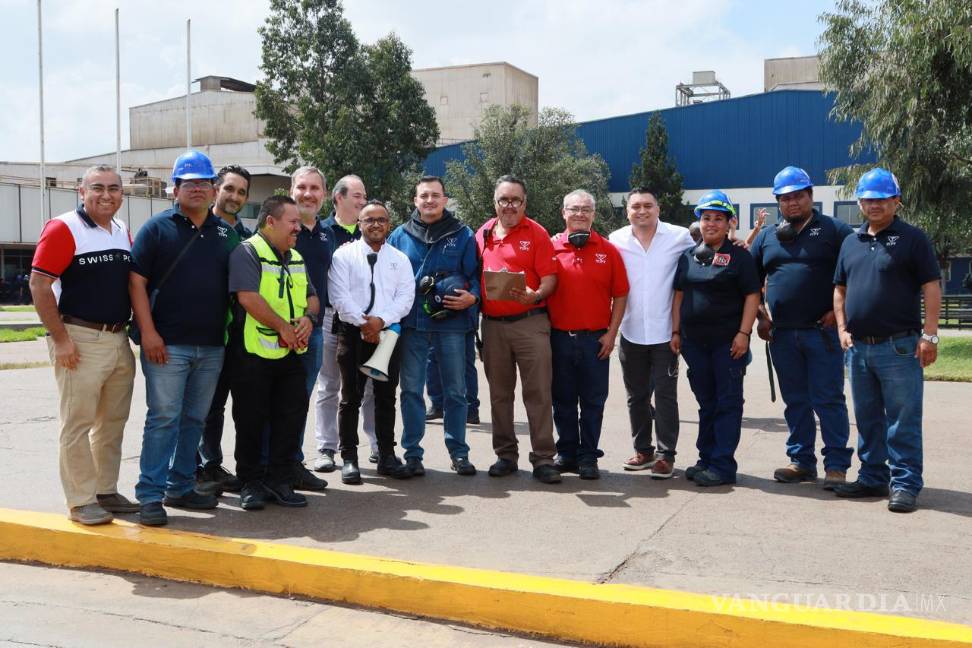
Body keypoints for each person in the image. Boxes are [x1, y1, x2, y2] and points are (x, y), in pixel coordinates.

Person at [129, 150, 240, 526]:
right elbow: (137, 282)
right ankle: (149, 494)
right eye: (188, 182)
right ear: (174, 188)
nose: (196, 188)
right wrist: (148, 333)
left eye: (203, 183)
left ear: (212, 190)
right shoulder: (156, 229)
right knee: (163, 418)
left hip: (211, 345)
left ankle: (180, 486)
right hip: (166, 344)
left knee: (194, 418)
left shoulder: (226, 233)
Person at [29, 165, 138, 525]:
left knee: (112, 422)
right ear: (81, 191)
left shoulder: (122, 230)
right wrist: (60, 339)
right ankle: (80, 500)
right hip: (78, 337)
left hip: (117, 338)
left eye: (113, 188)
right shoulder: (64, 228)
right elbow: (39, 285)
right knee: (77, 423)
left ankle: (105, 490)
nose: (106, 195)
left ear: (123, 194)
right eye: (97, 188)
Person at [833, 168, 941, 513]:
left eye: (881, 199)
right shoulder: (851, 241)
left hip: (900, 346)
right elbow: (840, 288)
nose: (874, 205)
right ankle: (872, 477)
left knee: (902, 419)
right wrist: (841, 328)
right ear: (860, 202)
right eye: (867, 199)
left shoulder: (913, 239)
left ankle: (906, 483)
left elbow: (931, 286)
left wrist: (930, 334)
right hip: (859, 347)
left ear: (896, 201)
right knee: (866, 418)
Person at [751, 166, 854, 489]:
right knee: (796, 400)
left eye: (798, 196)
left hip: (821, 334)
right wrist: (761, 316)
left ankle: (836, 465)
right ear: (778, 202)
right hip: (782, 335)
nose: (792, 203)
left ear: (811, 196)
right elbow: (748, 282)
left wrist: (839, 313)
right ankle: (801, 461)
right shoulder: (768, 237)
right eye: (785, 198)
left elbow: (858, 275)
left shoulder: (835, 231)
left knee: (828, 400)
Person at [228, 196, 321, 511]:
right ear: (271, 221)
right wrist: (283, 327)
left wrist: (309, 320)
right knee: (251, 421)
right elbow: (248, 298)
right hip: (252, 354)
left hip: (291, 353)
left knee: (290, 418)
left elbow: (312, 298)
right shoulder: (247, 251)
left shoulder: (295, 256)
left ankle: (280, 480)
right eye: (292, 222)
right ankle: (251, 483)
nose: (298, 227)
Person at [388, 176, 480, 476]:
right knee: (411, 391)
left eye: (435, 195)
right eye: (423, 196)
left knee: (456, 391)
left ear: (445, 199)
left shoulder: (463, 234)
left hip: (452, 324)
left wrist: (472, 297)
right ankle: (412, 454)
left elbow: (477, 275)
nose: (429, 200)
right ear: (415, 200)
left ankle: (459, 453)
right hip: (412, 324)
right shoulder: (399, 236)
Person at [671, 190, 760, 487]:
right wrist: (676, 331)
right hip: (695, 344)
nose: (711, 224)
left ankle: (723, 465)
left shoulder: (740, 257)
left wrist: (744, 333)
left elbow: (752, 295)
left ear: (729, 223)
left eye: (718, 219)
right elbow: (679, 295)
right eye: (706, 218)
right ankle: (706, 458)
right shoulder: (688, 257)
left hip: (727, 345)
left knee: (727, 402)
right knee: (706, 403)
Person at [475, 175, 561, 484]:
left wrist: (535, 294)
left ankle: (543, 458)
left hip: (530, 323)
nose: (509, 206)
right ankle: (505, 455)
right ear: (494, 202)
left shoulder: (537, 233)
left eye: (515, 200)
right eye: (504, 200)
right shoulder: (482, 233)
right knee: (499, 395)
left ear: (524, 203)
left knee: (538, 393)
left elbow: (550, 278)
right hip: (494, 326)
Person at [609, 188, 694, 478]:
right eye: (635, 206)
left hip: (665, 333)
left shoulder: (680, 237)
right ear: (627, 210)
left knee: (666, 396)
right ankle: (643, 450)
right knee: (636, 396)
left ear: (658, 208)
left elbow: (706, 254)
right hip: (631, 331)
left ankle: (666, 454)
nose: (641, 211)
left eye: (648, 205)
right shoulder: (617, 240)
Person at [328, 201, 415, 483]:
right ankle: (349, 458)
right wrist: (365, 324)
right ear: (359, 224)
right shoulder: (344, 255)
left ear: (389, 224)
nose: (375, 224)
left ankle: (387, 455)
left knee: (386, 397)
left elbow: (406, 298)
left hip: (387, 334)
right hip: (352, 333)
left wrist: (380, 321)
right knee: (350, 397)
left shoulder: (399, 259)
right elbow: (339, 296)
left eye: (381, 220)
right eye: (369, 220)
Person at [548, 190, 629, 480]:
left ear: (594, 215)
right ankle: (567, 452)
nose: (580, 214)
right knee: (562, 399)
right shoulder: (549, 248)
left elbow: (621, 294)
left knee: (593, 401)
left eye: (586, 209)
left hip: (595, 340)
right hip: (558, 339)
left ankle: (588, 456)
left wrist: (611, 333)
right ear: (563, 213)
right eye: (574, 209)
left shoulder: (608, 251)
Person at [312, 175, 380, 472]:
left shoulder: (374, 231)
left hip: (368, 321)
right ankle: (326, 448)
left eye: (364, 195)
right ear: (338, 198)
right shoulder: (322, 232)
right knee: (329, 385)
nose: (362, 200)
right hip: (331, 318)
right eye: (356, 195)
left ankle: (377, 443)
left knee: (367, 387)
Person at [197, 164, 253, 493]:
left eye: (241, 192)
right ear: (216, 188)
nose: (234, 196)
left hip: (243, 335)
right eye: (229, 188)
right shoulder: (200, 228)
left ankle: (224, 466)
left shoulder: (249, 237)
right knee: (208, 405)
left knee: (240, 406)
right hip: (209, 332)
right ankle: (204, 467)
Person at [287, 167, 331, 492]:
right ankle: (268, 466)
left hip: (313, 330)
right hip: (280, 330)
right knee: (276, 400)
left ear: (324, 195)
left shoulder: (325, 234)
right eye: (302, 187)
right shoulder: (279, 228)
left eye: (314, 188)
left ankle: (293, 462)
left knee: (300, 399)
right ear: (291, 190)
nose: (308, 193)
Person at [424, 334, 480, 424]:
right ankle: (471, 410)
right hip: (468, 323)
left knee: (433, 357)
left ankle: (438, 405)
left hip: (444, 324)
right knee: (467, 362)